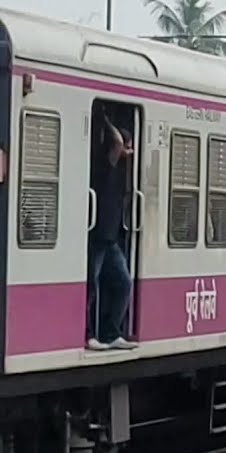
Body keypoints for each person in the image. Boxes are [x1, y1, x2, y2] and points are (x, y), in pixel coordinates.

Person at [87, 114, 137, 351]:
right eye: (128, 147)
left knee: (123, 282)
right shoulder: (108, 164)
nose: (130, 151)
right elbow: (116, 141)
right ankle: (88, 334)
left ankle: (110, 332)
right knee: (90, 286)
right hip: (98, 236)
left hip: (110, 239)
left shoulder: (122, 171)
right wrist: (106, 119)